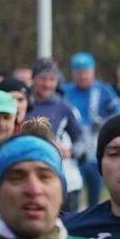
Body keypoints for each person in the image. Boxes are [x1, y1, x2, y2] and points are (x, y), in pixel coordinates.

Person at [63, 51, 120, 209]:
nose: (83, 76)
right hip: (73, 153)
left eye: (86, 72)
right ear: (73, 73)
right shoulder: (65, 91)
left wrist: (104, 123)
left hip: (96, 152)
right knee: (72, 192)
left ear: (93, 71)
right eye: (79, 72)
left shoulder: (103, 90)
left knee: (95, 198)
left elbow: (118, 112)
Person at [27, 58, 85, 209]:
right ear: (33, 79)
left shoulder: (64, 108)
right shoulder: (24, 105)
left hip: (66, 180)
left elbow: (81, 142)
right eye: (42, 79)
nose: (47, 84)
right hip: (31, 178)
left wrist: (71, 152)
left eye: (52, 79)